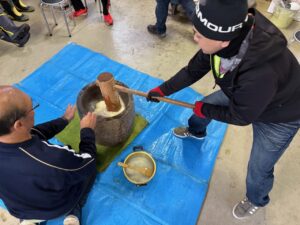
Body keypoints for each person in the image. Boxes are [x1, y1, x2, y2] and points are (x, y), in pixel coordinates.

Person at [147, 0, 300, 220]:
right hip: (243, 94)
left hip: (280, 115)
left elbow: (242, 116)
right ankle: (197, 131)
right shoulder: (225, 39)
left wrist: (206, 109)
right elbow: (193, 70)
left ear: (223, 41)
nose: (194, 37)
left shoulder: (260, 73)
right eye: (196, 30)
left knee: (259, 168)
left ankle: (256, 198)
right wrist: (163, 89)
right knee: (205, 106)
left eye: (200, 35)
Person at [0, 86, 98, 225]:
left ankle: (29, 221)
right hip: (53, 207)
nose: (33, 111)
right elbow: (87, 162)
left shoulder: (9, 135)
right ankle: (73, 211)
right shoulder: (52, 160)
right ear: (19, 124)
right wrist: (87, 131)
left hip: (20, 208)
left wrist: (63, 120)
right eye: (32, 107)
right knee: (90, 170)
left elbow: (34, 132)